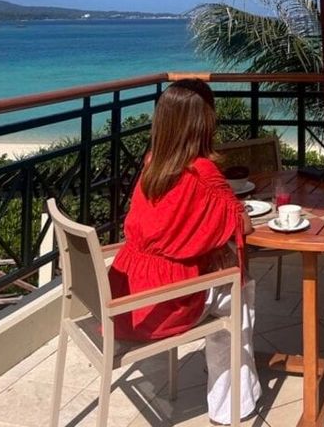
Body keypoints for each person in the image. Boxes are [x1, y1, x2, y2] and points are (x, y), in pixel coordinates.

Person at [108, 78, 261, 424]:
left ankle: (233, 386)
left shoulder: (153, 163)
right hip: (166, 304)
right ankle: (234, 405)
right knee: (239, 288)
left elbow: (174, 227)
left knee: (225, 277)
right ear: (203, 122)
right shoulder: (202, 172)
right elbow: (242, 225)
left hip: (127, 301)